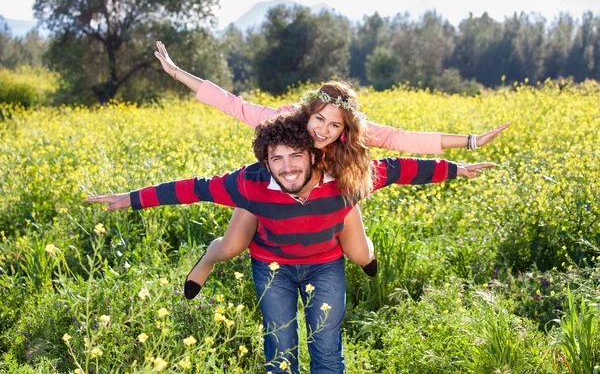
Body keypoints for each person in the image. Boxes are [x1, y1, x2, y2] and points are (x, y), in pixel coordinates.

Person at [85, 112, 494, 373]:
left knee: (327, 350)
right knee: (279, 350)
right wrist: (130, 199)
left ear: (314, 155)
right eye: (276, 159)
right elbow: (191, 188)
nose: (287, 167)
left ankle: (366, 255)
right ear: (266, 162)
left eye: (296, 155)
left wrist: (458, 168)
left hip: (325, 262)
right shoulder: (249, 183)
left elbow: (404, 169)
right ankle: (205, 262)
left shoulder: (345, 176)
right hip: (272, 266)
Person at [153, 41, 510, 298]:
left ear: (345, 130)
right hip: (270, 191)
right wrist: (176, 73)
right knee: (231, 245)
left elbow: (405, 143)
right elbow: (233, 105)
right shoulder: (286, 119)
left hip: (329, 200)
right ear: (308, 112)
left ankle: (367, 254)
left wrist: (471, 143)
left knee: (359, 254)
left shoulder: (344, 155)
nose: (322, 130)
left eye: (334, 126)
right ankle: (206, 260)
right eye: (319, 119)